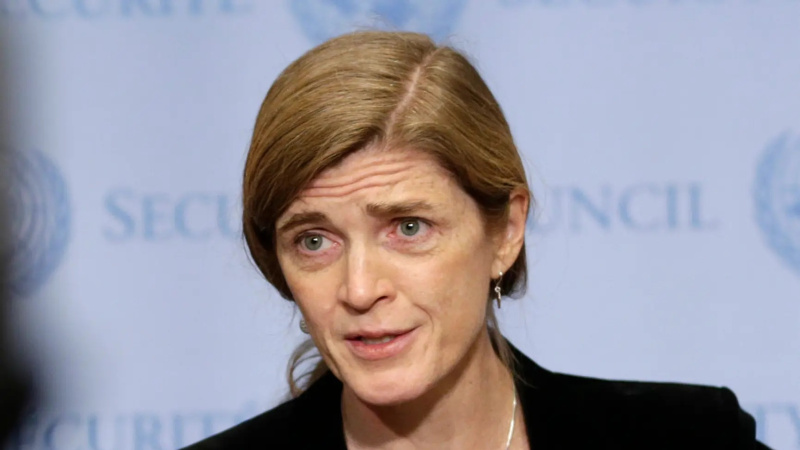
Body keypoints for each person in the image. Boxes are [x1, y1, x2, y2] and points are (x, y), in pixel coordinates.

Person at [184, 31, 768, 449]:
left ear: (506, 231)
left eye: (408, 228)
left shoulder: (691, 438)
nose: (359, 289)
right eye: (314, 242)